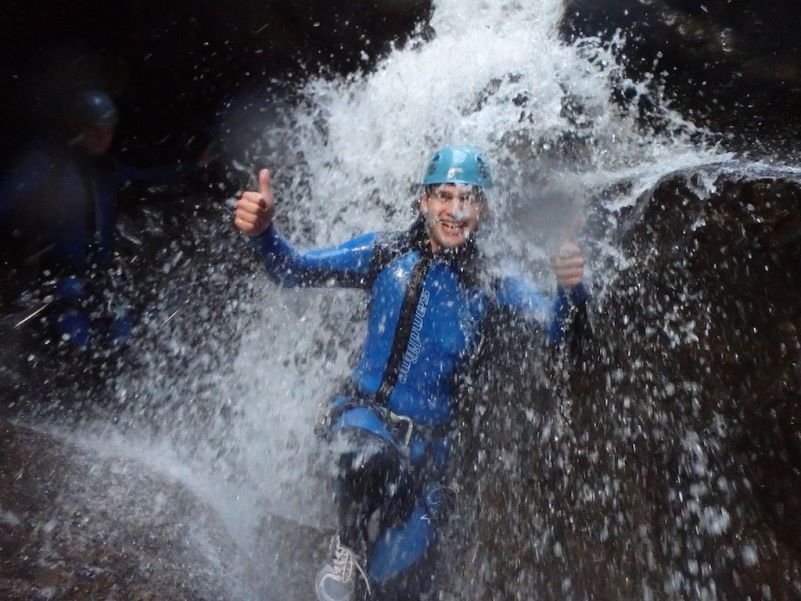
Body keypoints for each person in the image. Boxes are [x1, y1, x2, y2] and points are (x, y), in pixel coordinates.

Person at [234, 146, 588, 601]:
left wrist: (569, 290)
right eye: (444, 195)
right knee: (368, 459)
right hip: (363, 420)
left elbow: (558, 334)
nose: (455, 210)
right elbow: (293, 269)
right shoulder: (383, 254)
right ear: (423, 201)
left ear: (484, 210)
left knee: (402, 582)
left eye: (469, 199)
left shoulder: (491, 284)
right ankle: (348, 547)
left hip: (427, 454)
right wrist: (264, 234)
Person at [0, 89, 208, 354]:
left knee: (122, 336)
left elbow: (147, 176)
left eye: (107, 130)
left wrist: (195, 165)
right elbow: (6, 198)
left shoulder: (107, 169)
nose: (102, 137)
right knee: (76, 340)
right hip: (60, 281)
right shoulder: (46, 165)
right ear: (76, 127)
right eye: (94, 129)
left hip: (100, 278)